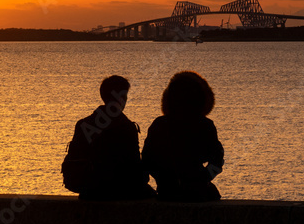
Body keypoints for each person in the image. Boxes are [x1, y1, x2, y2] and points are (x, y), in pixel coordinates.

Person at [62, 75, 154, 200]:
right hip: (119, 193)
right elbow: (135, 167)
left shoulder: (83, 124)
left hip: (89, 193)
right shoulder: (126, 128)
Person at [142, 71, 224, 202]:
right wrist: (202, 179)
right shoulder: (205, 125)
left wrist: (163, 179)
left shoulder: (159, 124)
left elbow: (148, 160)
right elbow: (217, 160)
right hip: (198, 194)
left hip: (167, 192)